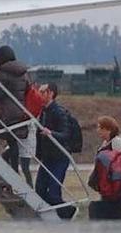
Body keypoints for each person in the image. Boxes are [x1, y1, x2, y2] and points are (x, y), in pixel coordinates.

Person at [34, 83, 76, 220]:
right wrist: (38, 154)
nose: (39, 94)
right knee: (39, 189)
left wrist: (51, 133)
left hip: (60, 157)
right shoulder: (44, 111)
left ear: (51, 93)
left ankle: (66, 213)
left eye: (42, 92)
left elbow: (66, 134)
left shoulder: (59, 111)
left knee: (53, 192)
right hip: (47, 157)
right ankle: (62, 212)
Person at [0, 45, 31, 172]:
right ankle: (13, 168)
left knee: (11, 142)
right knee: (14, 142)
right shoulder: (23, 72)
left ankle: (13, 170)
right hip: (21, 110)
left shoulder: (2, 72)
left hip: (8, 112)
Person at [90, 116, 121, 219]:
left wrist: (112, 169)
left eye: (100, 128)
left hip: (116, 186)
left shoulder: (116, 142)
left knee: (116, 213)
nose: (98, 130)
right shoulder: (105, 143)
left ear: (107, 129)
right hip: (107, 185)